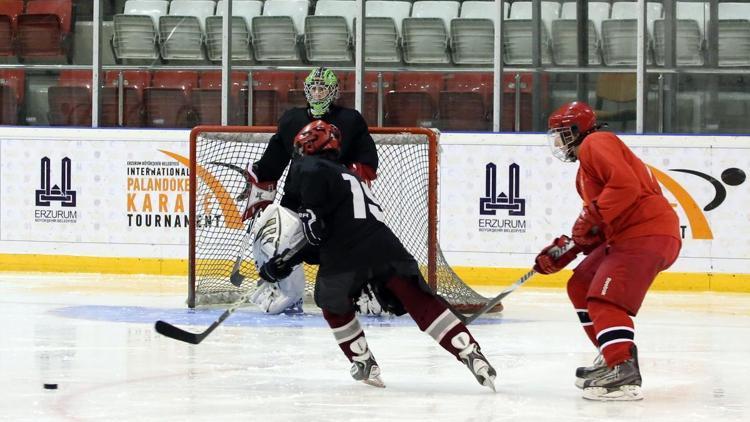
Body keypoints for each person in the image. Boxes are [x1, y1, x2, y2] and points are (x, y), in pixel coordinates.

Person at [257, 120, 497, 390]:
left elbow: (316, 234)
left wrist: (284, 263)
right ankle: (469, 351)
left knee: (332, 303)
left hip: (345, 255)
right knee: (420, 301)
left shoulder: (308, 168)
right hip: (386, 247)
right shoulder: (348, 174)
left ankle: (363, 360)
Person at [534, 101, 681, 401]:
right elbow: (602, 221)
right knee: (581, 284)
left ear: (577, 131)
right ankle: (611, 352)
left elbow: (624, 188)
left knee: (605, 298)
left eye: (562, 134)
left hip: (645, 233)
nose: (559, 142)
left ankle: (622, 368)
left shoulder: (595, 143)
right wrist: (569, 248)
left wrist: (588, 219)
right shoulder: (585, 170)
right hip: (628, 235)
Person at [242, 67, 379, 314]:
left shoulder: (350, 120)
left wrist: (343, 182)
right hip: (296, 202)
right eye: (313, 88)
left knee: (334, 284)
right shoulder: (292, 120)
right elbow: (274, 160)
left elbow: (367, 162)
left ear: (333, 91)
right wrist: (259, 181)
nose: (317, 94)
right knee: (272, 241)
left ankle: (360, 290)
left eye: (322, 88)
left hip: (334, 206)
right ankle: (287, 294)